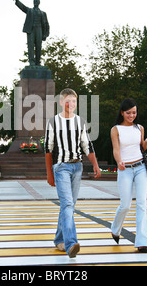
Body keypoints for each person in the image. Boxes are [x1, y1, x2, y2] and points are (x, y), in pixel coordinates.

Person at [44, 88, 101, 258]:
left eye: (74, 101)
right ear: (61, 102)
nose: (71, 104)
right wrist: (49, 174)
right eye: (67, 101)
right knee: (68, 205)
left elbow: (87, 146)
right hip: (61, 167)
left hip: (77, 167)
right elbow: (48, 149)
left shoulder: (80, 122)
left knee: (68, 206)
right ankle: (71, 244)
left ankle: (59, 239)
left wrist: (95, 165)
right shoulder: (53, 122)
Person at [110, 98, 147, 253]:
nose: (131, 115)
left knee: (142, 204)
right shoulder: (115, 129)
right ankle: (115, 229)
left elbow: (141, 147)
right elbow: (116, 149)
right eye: (128, 113)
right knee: (125, 205)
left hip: (140, 167)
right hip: (125, 170)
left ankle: (142, 242)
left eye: (134, 112)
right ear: (122, 113)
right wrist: (119, 161)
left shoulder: (139, 128)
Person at [13, 0, 50, 66]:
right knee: (30, 46)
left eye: (36, 1)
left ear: (39, 3)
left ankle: (37, 62)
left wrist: (45, 34)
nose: (35, 3)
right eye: (34, 1)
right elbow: (23, 7)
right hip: (31, 29)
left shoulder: (43, 13)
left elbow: (46, 24)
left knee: (38, 46)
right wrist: (17, 1)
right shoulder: (30, 11)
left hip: (39, 29)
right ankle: (32, 62)